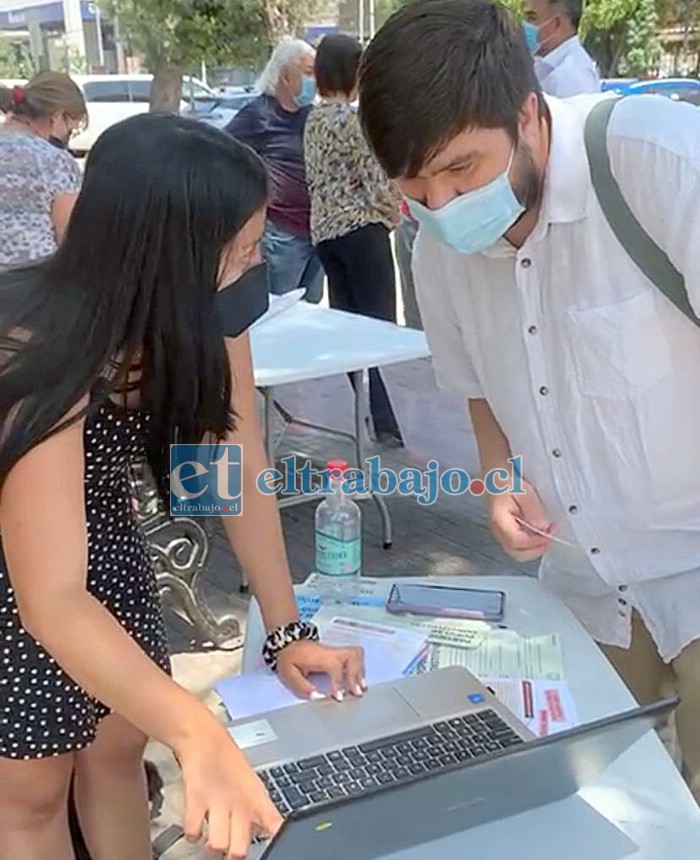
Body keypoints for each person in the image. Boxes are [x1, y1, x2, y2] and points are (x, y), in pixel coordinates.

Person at [358, 0, 700, 802]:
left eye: (463, 170)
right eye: (416, 187)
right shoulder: (439, 245)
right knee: (609, 805)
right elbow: (476, 381)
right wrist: (499, 475)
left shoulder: (660, 165)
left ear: (527, 113)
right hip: (583, 585)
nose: (443, 205)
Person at [0, 113, 365, 860]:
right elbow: (51, 598)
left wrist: (286, 629)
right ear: (170, 258)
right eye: (246, 249)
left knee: (119, 748)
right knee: (32, 789)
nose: (259, 267)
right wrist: (198, 734)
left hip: (105, 539)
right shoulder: (34, 348)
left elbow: (226, 465)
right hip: (22, 570)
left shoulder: (199, 314)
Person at [304, 34, 404, 446]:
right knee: (377, 327)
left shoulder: (313, 120)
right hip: (363, 230)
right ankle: (386, 420)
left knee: (346, 323)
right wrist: (395, 211)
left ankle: (360, 410)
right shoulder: (352, 121)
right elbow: (377, 181)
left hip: (325, 231)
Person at [226, 39, 324, 304]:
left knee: (309, 315)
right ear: (284, 75)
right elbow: (223, 156)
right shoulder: (259, 115)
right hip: (282, 236)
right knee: (278, 310)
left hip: (316, 233)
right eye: (308, 72)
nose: (314, 80)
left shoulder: (312, 116)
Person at [0, 72, 85, 271]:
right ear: (56, 116)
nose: (67, 139)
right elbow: (68, 239)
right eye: (70, 130)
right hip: (35, 288)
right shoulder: (55, 162)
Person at [523, 0, 601, 96]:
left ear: (557, 24)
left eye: (532, 17)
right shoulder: (544, 65)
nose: (524, 24)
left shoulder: (573, 76)